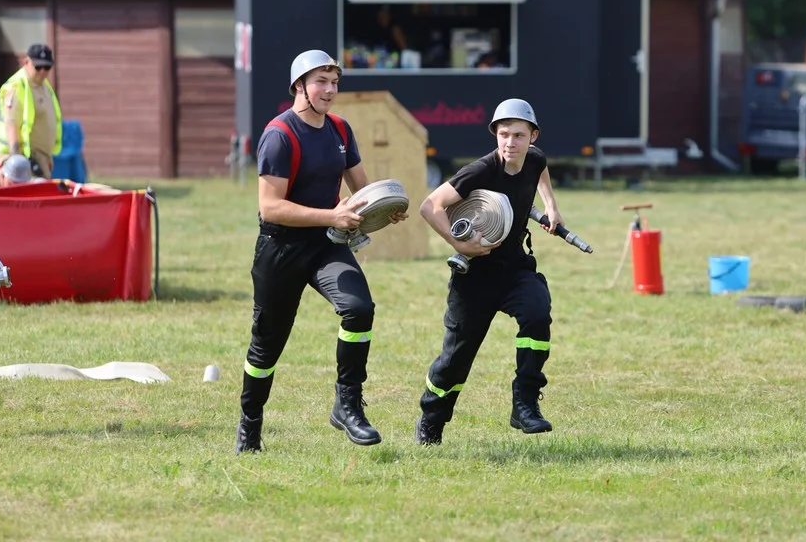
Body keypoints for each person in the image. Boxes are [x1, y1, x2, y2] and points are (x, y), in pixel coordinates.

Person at [235, 49, 407, 454]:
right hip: (280, 249)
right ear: (299, 86)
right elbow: (270, 207)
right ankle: (250, 425)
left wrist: (383, 209)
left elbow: (360, 194)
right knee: (266, 346)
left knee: (359, 308)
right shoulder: (279, 135)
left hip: (325, 246)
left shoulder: (341, 130)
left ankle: (348, 405)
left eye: (335, 82)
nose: (330, 91)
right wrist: (331, 215)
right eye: (321, 82)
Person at [415, 98, 564, 446]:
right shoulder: (480, 170)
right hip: (475, 277)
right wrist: (460, 244)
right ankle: (431, 421)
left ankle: (525, 404)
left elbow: (540, 170)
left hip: (515, 268)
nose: (510, 143)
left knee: (537, 314)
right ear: (495, 135)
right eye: (503, 135)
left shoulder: (534, 158)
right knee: (455, 361)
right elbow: (429, 206)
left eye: (518, 136)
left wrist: (552, 207)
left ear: (533, 137)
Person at [0, 44, 62, 178]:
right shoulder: (16, 86)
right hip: (25, 161)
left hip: (39, 159)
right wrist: (18, 163)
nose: (43, 71)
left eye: (47, 67)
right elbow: (11, 126)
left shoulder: (43, 85)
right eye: (38, 67)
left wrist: (48, 156)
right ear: (26, 62)